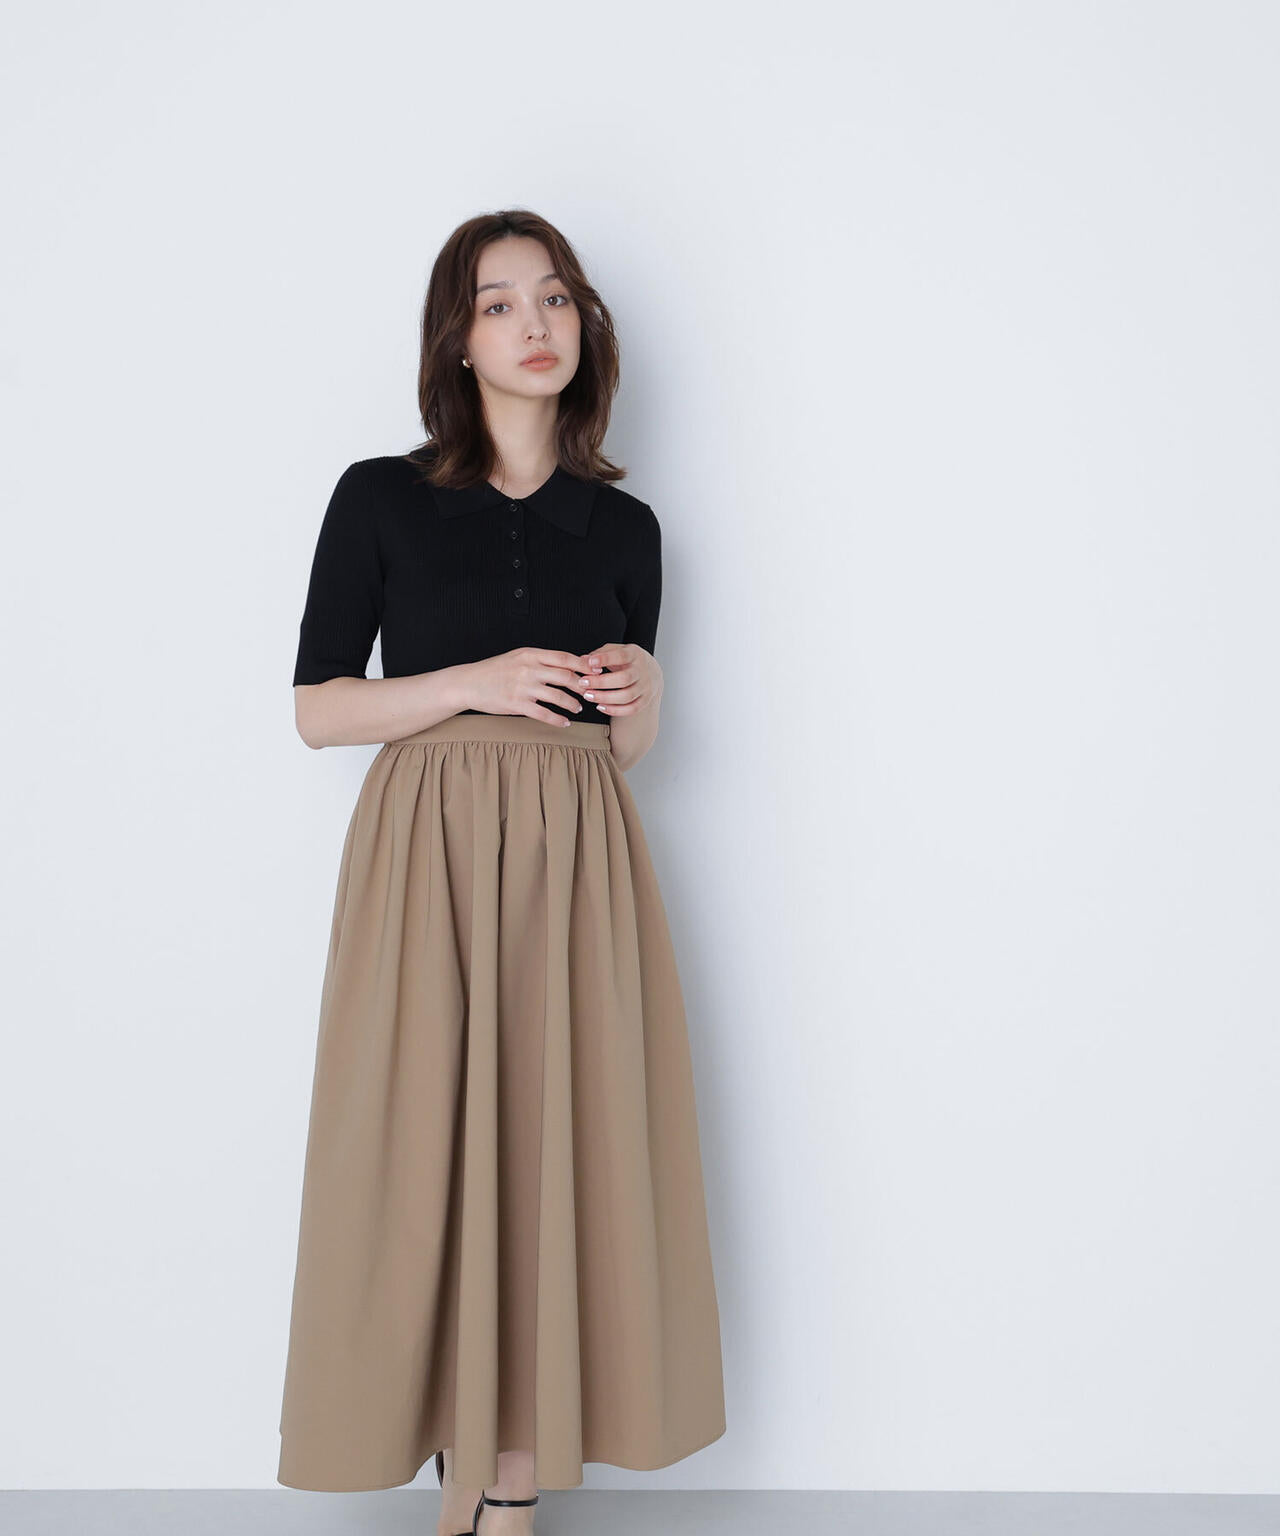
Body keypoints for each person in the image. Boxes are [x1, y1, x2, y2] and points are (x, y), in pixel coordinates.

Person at [276, 209, 726, 1536]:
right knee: (420, 1146)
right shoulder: (380, 498)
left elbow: (623, 746)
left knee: (555, 1152)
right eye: (498, 303)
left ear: (587, 327)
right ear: (458, 342)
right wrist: (471, 680)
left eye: (556, 298)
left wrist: (646, 699)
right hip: (428, 854)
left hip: (579, 862)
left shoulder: (627, 529)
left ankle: (506, 1491)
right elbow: (316, 709)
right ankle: (459, 1474)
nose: (535, 324)